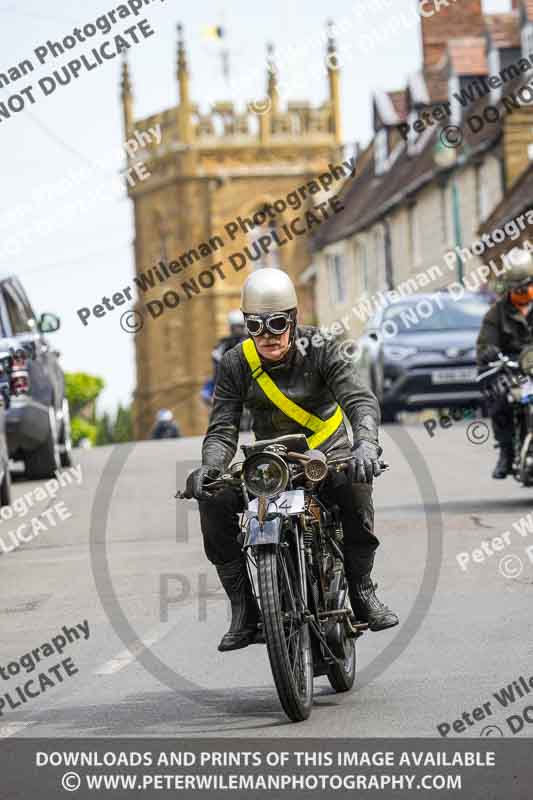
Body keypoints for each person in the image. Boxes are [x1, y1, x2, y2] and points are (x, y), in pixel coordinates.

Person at [184, 267, 398, 652]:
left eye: (277, 323)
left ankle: (363, 592)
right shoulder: (236, 362)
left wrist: (365, 444)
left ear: (294, 320)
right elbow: (222, 429)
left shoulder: (322, 347)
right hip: (272, 464)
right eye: (255, 326)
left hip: (328, 456)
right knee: (213, 498)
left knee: (356, 488)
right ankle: (245, 610)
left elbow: (359, 400)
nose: (267, 336)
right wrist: (211, 468)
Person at [477, 247, 533, 479]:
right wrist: (489, 352)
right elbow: (484, 345)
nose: (522, 291)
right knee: (499, 398)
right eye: (517, 287)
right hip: (510, 371)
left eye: (527, 285)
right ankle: (507, 451)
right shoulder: (495, 315)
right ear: (508, 288)